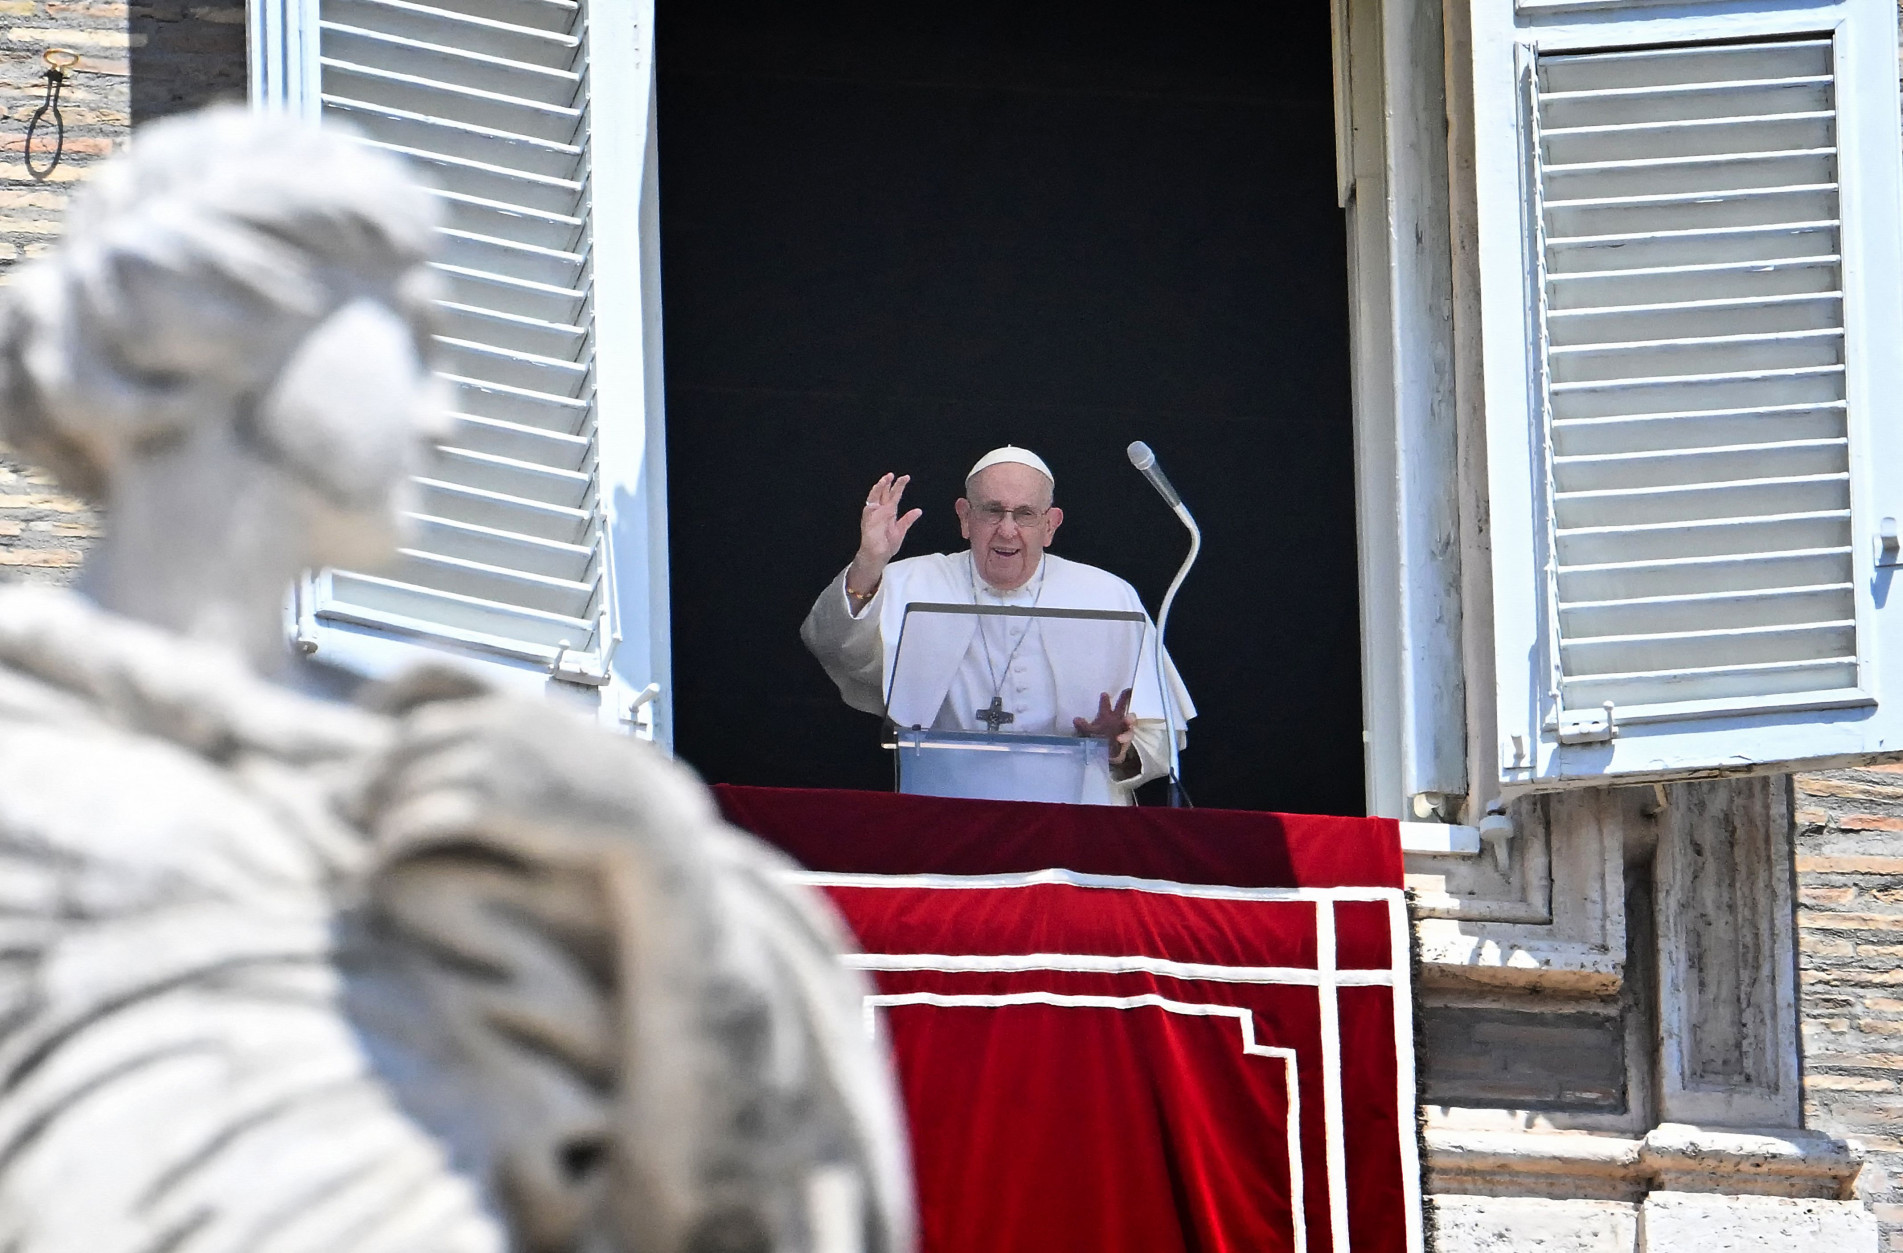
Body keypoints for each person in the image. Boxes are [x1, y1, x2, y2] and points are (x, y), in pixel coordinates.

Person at [0, 108, 912, 1253]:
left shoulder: (496, 793)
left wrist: (658, 872)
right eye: (412, 336)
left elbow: (732, 1215)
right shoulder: (30, 754)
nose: (445, 413)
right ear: (217, 328)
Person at [802, 446, 1194, 803]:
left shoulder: (1107, 595)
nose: (1007, 530)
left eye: (1025, 514)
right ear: (965, 518)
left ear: (1050, 525)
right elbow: (835, 646)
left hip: (1076, 822)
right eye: (992, 511)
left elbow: (1159, 736)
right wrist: (869, 562)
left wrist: (1117, 746)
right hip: (943, 816)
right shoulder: (912, 582)